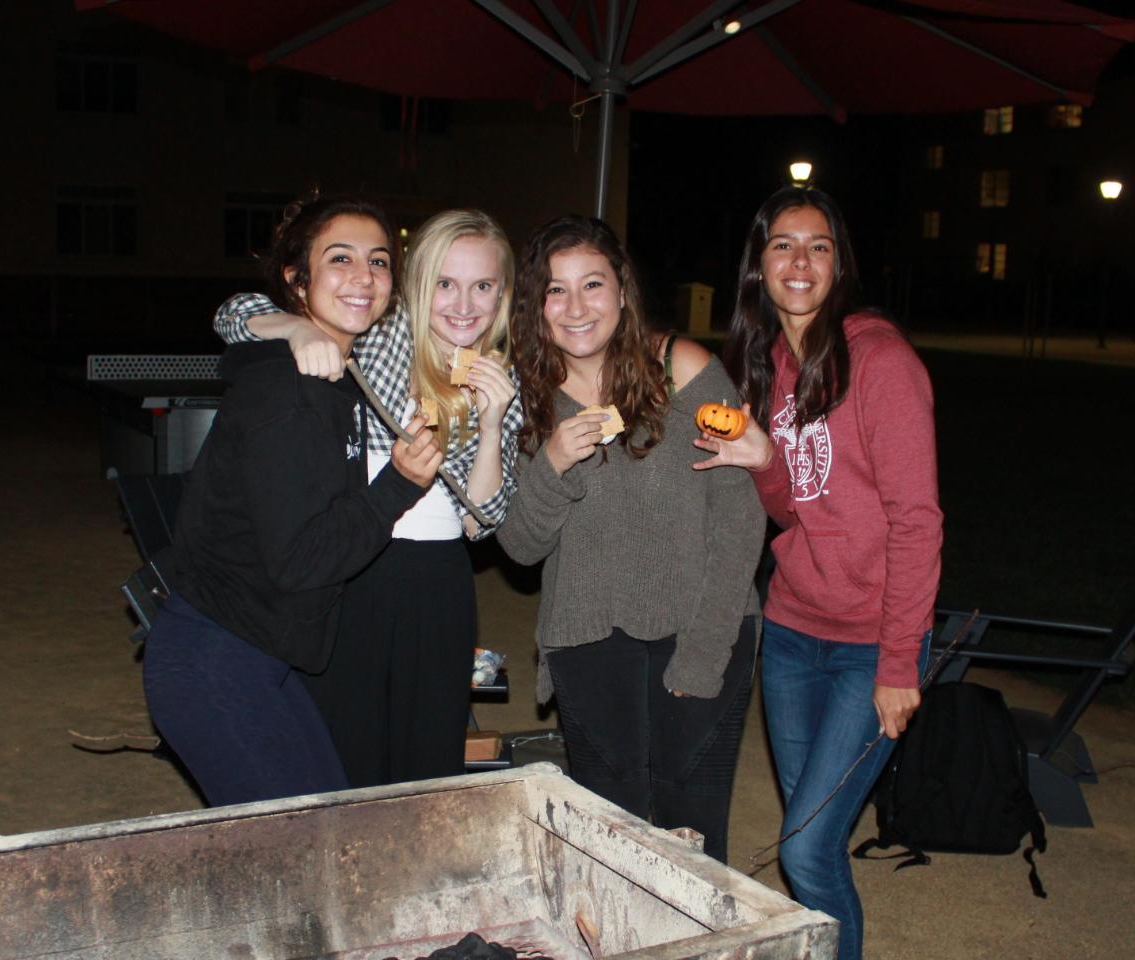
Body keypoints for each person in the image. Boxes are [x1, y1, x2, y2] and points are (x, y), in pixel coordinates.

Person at [694, 186, 943, 960]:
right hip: (797, 633)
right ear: (758, 266)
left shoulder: (880, 361)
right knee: (817, 845)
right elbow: (790, 509)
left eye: (818, 246)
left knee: (803, 848)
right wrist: (765, 459)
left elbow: (917, 520)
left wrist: (900, 662)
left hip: (871, 647)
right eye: (782, 246)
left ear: (839, 264)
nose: (799, 262)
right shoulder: (770, 364)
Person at [142, 196, 442, 806]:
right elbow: (303, 561)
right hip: (214, 658)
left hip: (254, 654)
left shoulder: (333, 376)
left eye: (379, 262)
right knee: (306, 847)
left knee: (323, 824)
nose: (364, 277)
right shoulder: (291, 391)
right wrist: (400, 485)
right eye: (341, 259)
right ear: (296, 279)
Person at [211, 209, 522, 786]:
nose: (463, 305)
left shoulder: (501, 376)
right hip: (352, 567)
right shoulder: (377, 335)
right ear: (418, 286)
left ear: (502, 294)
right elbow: (233, 314)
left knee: (428, 759)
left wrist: (493, 423)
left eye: (483, 286)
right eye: (444, 285)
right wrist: (298, 329)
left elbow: (483, 522)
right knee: (344, 754)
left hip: (437, 581)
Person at [496, 215, 765, 863]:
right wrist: (552, 463)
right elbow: (520, 547)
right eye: (555, 291)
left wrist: (704, 652)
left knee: (691, 838)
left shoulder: (683, 370)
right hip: (587, 638)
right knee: (607, 841)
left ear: (623, 291)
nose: (576, 307)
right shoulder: (525, 397)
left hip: (701, 626)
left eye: (593, 284)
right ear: (536, 305)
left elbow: (739, 513)